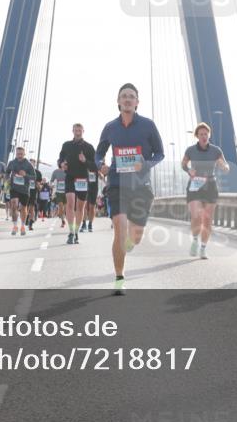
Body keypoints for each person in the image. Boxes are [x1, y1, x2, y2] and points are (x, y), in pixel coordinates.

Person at [95, 83, 164, 294]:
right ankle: (119, 278)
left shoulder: (148, 125)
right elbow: (99, 154)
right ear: (118, 101)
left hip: (141, 186)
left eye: (131, 96)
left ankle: (130, 243)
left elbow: (159, 154)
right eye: (124, 96)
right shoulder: (110, 128)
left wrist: (146, 164)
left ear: (137, 102)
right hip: (116, 184)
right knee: (120, 228)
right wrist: (101, 166)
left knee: (135, 237)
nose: (127, 99)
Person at [182, 122, 230, 260]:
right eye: (201, 134)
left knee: (207, 219)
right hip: (195, 184)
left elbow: (223, 163)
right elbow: (183, 163)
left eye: (206, 134)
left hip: (210, 185)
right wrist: (188, 170)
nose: (204, 136)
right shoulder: (190, 150)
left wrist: (225, 167)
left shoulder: (216, 150)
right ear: (197, 136)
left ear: (209, 135)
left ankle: (203, 248)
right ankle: (195, 241)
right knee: (196, 215)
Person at [58, 123, 96, 245]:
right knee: (70, 203)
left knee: (80, 207)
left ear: (83, 131)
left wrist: (85, 161)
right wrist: (61, 164)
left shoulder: (89, 147)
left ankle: (76, 231)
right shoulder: (66, 145)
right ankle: (71, 232)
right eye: (75, 129)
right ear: (72, 131)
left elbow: (95, 166)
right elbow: (60, 158)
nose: (77, 131)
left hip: (83, 179)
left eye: (79, 129)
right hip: (70, 177)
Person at [5, 146, 35, 236]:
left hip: (25, 189)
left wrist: (25, 175)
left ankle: (22, 226)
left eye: (21, 154)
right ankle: (15, 226)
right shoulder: (12, 163)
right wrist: (7, 179)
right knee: (14, 204)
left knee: (23, 208)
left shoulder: (28, 164)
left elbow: (34, 177)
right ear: (16, 154)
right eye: (18, 154)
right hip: (14, 188)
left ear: (24, 154)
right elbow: (7, 172)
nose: (19, 155)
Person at [49, 164, 67, 229]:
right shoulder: (55, 172)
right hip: (58, 192)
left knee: (65, 208)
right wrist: (51, 185)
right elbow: (51, 181)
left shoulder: (68, 171)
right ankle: (63, 221)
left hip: (67, 192)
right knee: (61, 206)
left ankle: (63, 216)